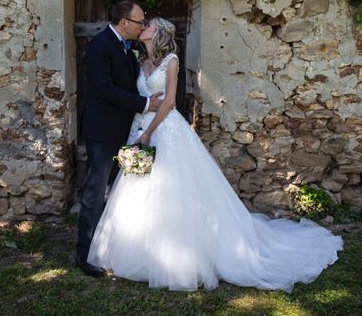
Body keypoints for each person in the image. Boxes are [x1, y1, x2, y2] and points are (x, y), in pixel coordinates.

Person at [87, 17, 344, 292]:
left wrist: (148, 133)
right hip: (139, 127)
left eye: (149, 25)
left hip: (164, 129)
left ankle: (182, 256)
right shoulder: (139, 61)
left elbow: (170, 102)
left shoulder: (171, 60)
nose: (144, 27)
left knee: (173, 190)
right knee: (138, 185)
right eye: (144, 24)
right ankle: (138, 250)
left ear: (159, 33)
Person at [76, 0, 163, 277]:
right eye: (139, 21)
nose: (142, 25)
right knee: (95, 192)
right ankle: (85, 255)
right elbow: (105, 89)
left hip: (125, 130)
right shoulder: (100, 45)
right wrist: (145, 104)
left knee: (117, 193)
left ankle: (108, 248)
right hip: (102, 132)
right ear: (124, 22)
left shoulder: (128, 48)